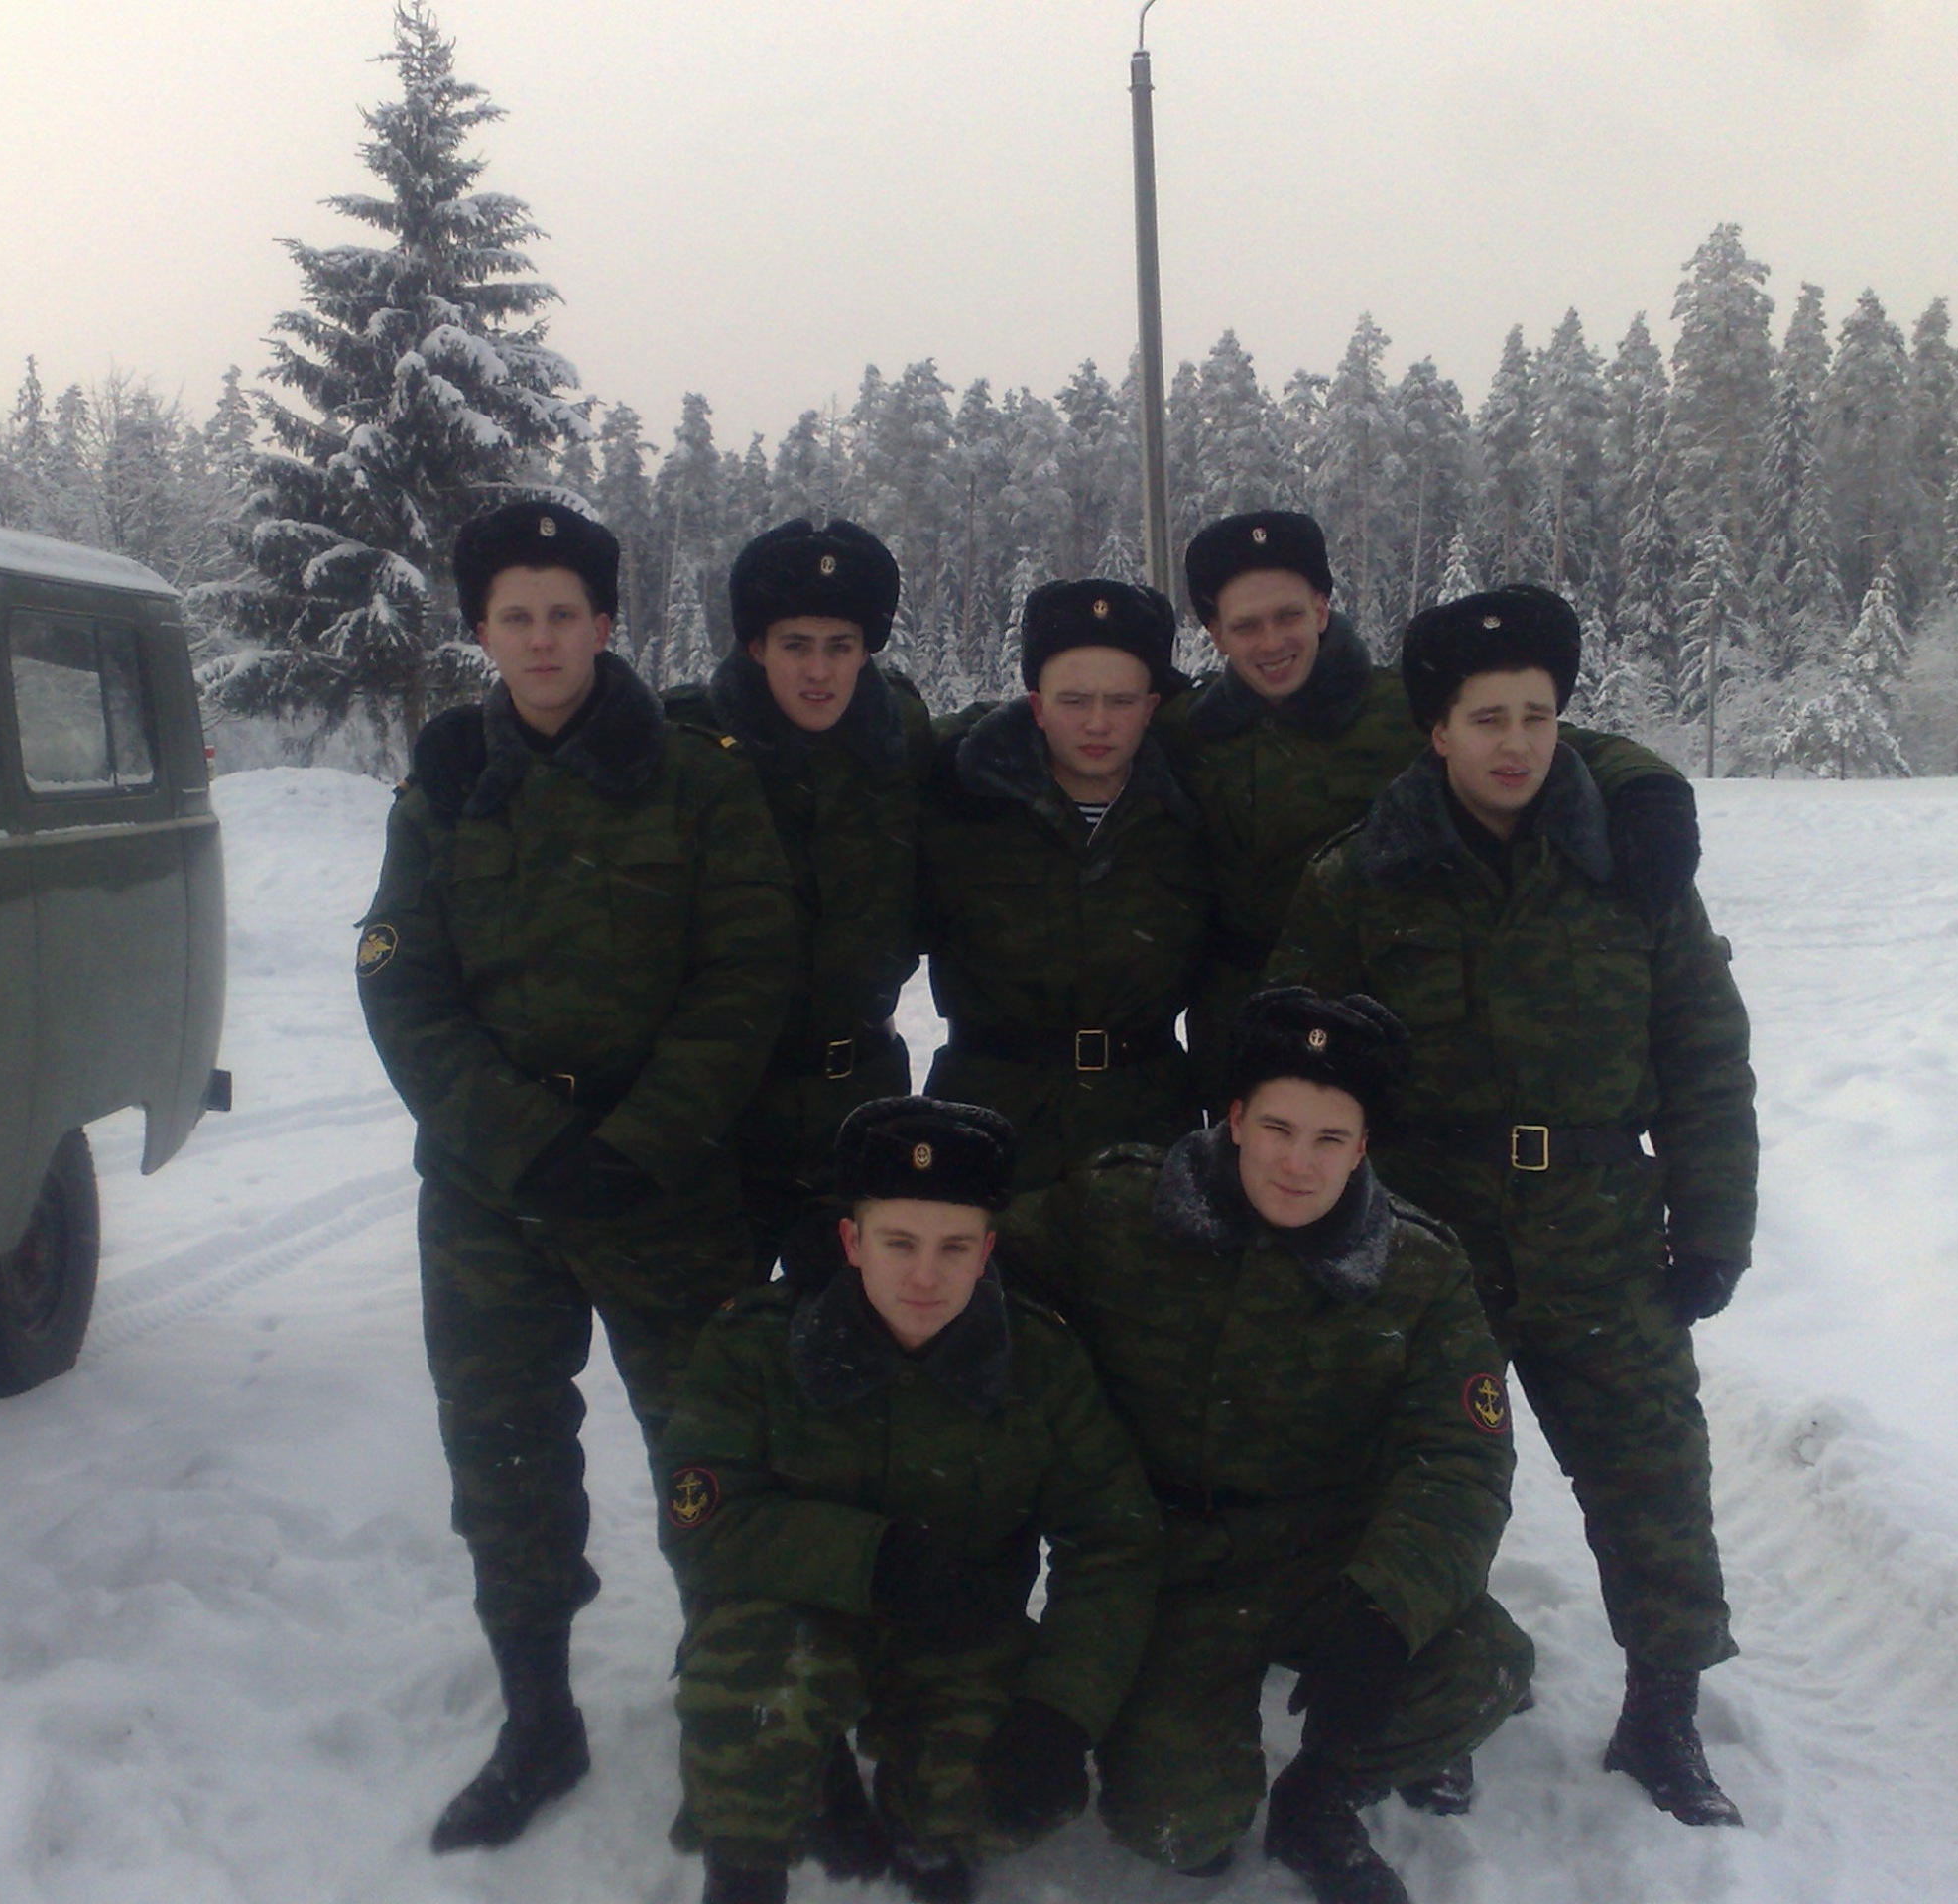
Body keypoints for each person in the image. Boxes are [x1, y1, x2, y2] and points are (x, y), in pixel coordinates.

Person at [1269, 583, 1758, 1827]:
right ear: (1437, 729)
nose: (1514, 743)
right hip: (1427, 1229)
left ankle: (1663, 1712)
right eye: (1486, 718)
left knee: (1650, 1467)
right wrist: (1318, 1230)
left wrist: (1712, 1225)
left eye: (1536, 716)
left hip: (1597, 1221)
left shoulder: (1630, 860)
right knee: (1424, 1475)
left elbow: (1703, 1050)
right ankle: (1435, 1701)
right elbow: (1294, 1066)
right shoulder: (1364, 877)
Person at [356, 498, 796, 1853]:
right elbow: (402, 985)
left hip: (665, 1187)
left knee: (712, 1456)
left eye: (565, 614)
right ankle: (537, 1720)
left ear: (606, 623)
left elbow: (745, 977)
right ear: (482, 632)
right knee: (503, 1460)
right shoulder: (444, 782)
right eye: (516, 617)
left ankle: (730, 1721)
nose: (542, 639)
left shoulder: (699, 779)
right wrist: (528, 1145)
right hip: (491, 1196)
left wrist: (635, 1144)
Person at [993, 988, 1531, 1904]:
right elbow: (969, 1257)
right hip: (1170, 1563)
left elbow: (1461, 1461)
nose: (1296, 1162)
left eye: (1330, 1139)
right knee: (1174, 1827)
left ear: (1362, 1147)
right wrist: (839, 1253)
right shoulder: (1118, 1209)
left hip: (1328, 1557)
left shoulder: (1419, 1271)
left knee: (1483, 1666)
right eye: (1277, 1128)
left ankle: (1322, 1796)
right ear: (1235, 1119)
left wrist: (1386, 1610)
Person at [659, 1097, 1163, 1904]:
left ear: (987, 1250)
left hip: (959, 1626)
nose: (926, 1276)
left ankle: (926, 1832)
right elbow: (703, 1518)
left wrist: (1060, 1710)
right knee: (746, 1721)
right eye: (898, 1243)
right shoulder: (755, 1344)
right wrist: (878, 1560)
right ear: (851, 1242)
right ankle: (751, 1862)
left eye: (954, 1246)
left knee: (995, 1800)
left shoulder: (1041, 1360)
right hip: (797, 1612)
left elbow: (1114, 1538)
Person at [1162, 510, 1703, 1105]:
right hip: (1231, 1015)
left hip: (1373, 1005)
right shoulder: (1188, 731)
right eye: (1247, 625)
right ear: (1215, 634)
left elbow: (1548, 741)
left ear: (1321, 609)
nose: (1271, 643)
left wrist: (1647, 788)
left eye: (1288, 615)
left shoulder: (1402, 711)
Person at [663, 518, 932, 1274]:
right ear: (755, 646)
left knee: (861, 1324)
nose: (820, 672)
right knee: (717, 1328)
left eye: (841, 646)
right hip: (726, 1104)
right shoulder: (683, 745)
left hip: (863, 1095)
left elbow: (1019, 744)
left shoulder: (901, 736)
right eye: (795, 645)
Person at [918, 578, 1210, 1191]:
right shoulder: (961, 804)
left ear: (1151, 707)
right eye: (1074, 701)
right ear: (1036, 705)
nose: (1098, 724)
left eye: (1121, 701)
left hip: (1146, 1119)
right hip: (988, 1114)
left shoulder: (1192, 811)